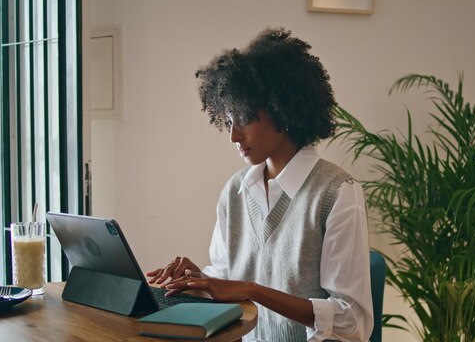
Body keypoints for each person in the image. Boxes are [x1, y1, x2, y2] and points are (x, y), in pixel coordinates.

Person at [146, 27, 373, 342]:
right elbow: (228, 281)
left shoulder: (337, 193)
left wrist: (253, 290)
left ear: (283, 109)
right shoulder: (234, 192)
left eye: (244, 118)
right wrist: (199, 278)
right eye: (227, 121)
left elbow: (350, 321)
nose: (234, 136)